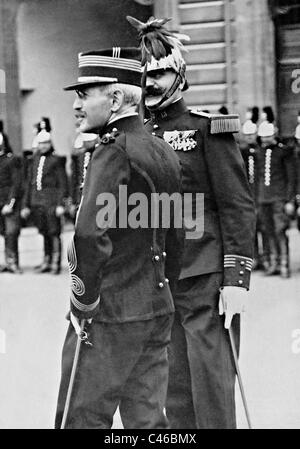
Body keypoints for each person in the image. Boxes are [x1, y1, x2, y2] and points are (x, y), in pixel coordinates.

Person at [128, 15, 256, 429]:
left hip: (205, 276)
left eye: (161, 72)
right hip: (157, 278)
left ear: (179, 76)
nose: (151, 82)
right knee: (172, 384)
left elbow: (236, 205)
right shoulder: (136, 135)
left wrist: (237, 279)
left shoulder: (207, 129)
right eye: (145, 74)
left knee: (211, 382)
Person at [54, 46, 184, 429]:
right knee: (147, 422)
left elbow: (89, 235)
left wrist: (84, 305)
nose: (77, 106)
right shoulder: (163, 151)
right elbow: (177, 234)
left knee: (82, 419)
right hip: (156, 308)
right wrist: (162, 292)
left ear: (113, 99)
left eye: (84, 94)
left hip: (109, 316)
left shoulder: (111, 153)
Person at [21, 130, 68, 274]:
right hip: (37, 201)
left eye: (46, 143)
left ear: (50, 143)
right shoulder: (34, 160)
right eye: (41, 143)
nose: (43, 146)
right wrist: (26, 204)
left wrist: (61, 204)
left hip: (52, 201)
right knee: (44, 231)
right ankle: (46, 260)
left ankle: (55, 262)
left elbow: (62, 183)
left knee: (54, 232)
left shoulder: (56, 160)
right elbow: (30, 183)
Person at [257, 121, 296, 278]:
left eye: (268, 137)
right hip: (263, 198)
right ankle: (274, 263)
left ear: (274, 135)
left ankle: (284, 263)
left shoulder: (284, 152)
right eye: (263, 137)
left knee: (280, 230)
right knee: (268, 231)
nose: (265, 140)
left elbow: (291, 178)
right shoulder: (259, 152)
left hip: (279, 198)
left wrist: (290, 200)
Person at [240, 107, 269, 270]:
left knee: (264, 226)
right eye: (247, 135)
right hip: (247, 194)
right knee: (251, 228)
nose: (250, 138)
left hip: (260, 194)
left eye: (252, 134)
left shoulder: (260, 151)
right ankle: (254, 258)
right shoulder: (241, 152)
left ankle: (265, 256)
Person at [0, 133, 23, 273]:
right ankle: (7, 261)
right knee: (3, 232)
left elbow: (16, 183)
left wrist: (10, 203)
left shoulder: (11, 160)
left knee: (11, 233)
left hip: (8, 203)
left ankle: (13, 262)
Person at [69, 130, 99, 220]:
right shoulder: (79, 157)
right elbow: (75, 178)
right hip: (81, 196)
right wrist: (73, 201)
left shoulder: (100, 153)